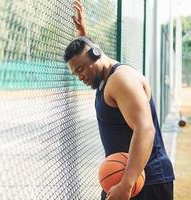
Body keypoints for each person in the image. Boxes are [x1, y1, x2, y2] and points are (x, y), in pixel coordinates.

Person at [63, 0, 175, 200]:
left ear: (96, 55)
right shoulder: (103, 76)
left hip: (145, 182)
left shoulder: (121, 80)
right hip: (127, 178)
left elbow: (145, 128)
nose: (79, 76)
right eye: (75, 73)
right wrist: (84, 36)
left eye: (80, 69)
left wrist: (126, 184)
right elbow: (91, 54)